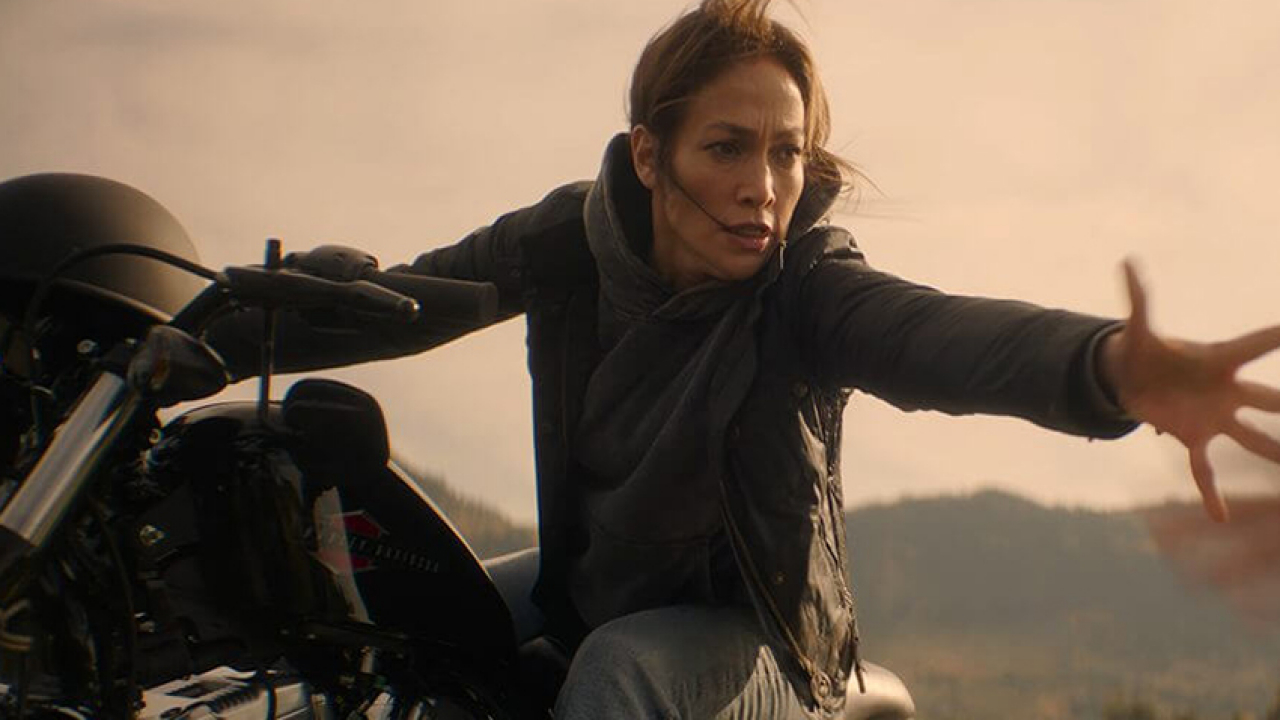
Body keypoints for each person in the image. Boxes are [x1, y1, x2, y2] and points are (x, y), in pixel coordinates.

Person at [207, 0, 1280, 717]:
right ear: (650, 154)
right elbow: (402, 303)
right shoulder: (565, 243)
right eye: (727, 147)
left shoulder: (806, 285)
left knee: (616, 674)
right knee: (397, 620)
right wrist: (188, 334)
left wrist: (1106, 366)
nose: (762, 185)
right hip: (595, 586)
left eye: (784, 153)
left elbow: (933, 335)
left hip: (764, 643)